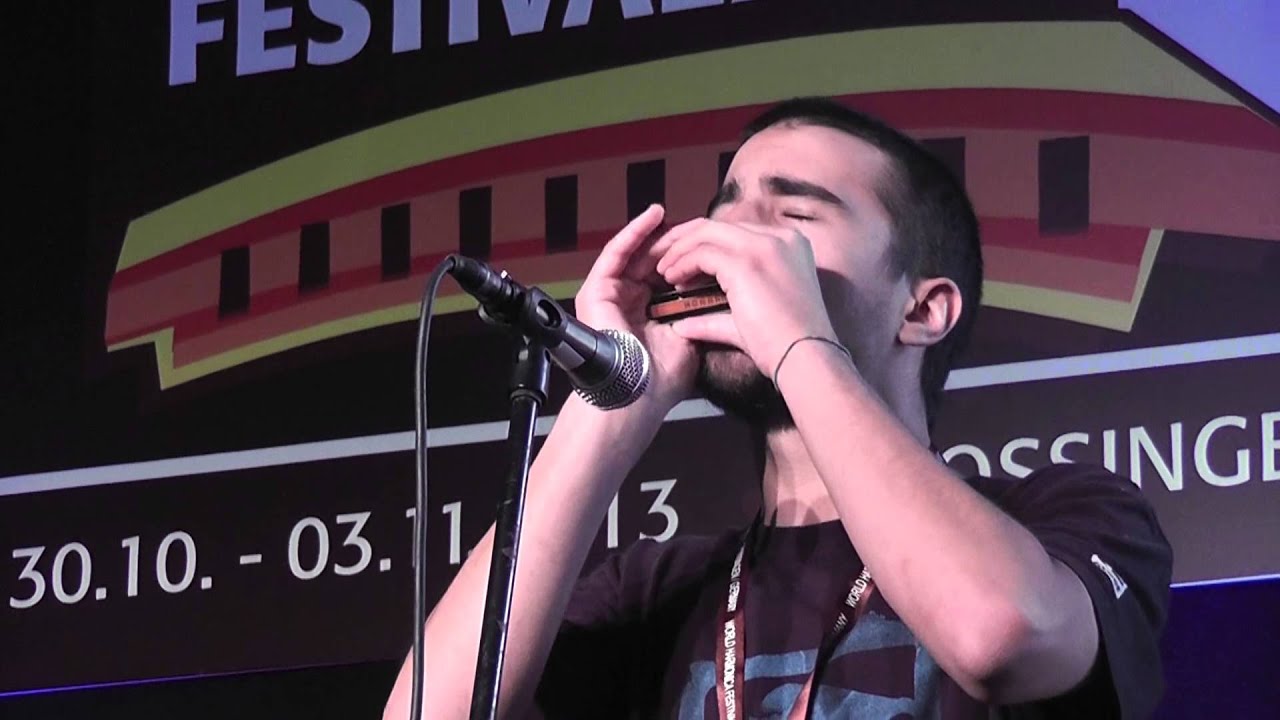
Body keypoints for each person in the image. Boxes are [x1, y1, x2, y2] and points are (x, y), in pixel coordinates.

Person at [383, 97, 1172, 719]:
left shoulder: (1060, 517)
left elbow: (999, 636)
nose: (730, 241)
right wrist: (612, 399)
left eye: (794, 217)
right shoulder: (660, 588)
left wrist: (798, 344)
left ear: (923, 309)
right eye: (725, 210)